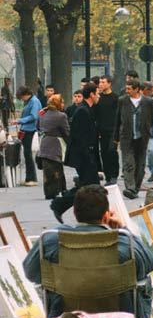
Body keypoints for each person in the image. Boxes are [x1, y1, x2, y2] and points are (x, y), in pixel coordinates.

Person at [24, 184, 153, 318]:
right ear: (106, 215)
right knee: (145, 281)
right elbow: (150, 264)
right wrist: (123, 228)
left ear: (74, 212)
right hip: (119, 314)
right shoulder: (124, 242)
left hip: (65, 316)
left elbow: (30, 272)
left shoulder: (52, 240)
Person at [50, 82, 101, 221]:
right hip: (83, 156)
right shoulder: (82, 111)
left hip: (86, 155)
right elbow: (79, 137)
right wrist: (88, 158)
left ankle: (62, 204)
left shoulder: (87, 109)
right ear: (91, 94)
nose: (99, 96)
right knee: (91, 187)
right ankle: (60, 204)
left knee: (87, 186)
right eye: (97, 94)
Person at [114, 79, 153, 199]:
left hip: (142, 137)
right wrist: (116, 137)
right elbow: (117, 119)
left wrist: (147, 130)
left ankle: (135, 188)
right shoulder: (122, 101)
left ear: (137, 89)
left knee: (140, 164)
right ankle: (130, 187)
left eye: (129, 89)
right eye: (126, 88)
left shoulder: (148, 101)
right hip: (126, 137)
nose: (127, 91)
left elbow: (151, 118)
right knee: (128, 162)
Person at [37, 93, 69, 200]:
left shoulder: (42, 114)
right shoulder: (61, 116)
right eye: (62, 102)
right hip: (55, 143)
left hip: (45, 142)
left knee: (48, 170)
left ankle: (49, 191)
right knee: (57, 167)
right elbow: (66, 132)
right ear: (57, 103)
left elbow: (38, 126)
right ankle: (61, 189)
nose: (63, 104)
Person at [13, 85, 40, 186]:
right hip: (26, 129)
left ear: (26, 94)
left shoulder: (34, 101)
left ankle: (32, 178)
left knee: (28, 154)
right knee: (26, 154)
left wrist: (19, 121)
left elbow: (34, 116)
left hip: (30, 129)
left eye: (22, 97)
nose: (21, 99)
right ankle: (28, 178)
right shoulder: (29, 101)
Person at [95, 76, 119, 185]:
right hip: (102, 130)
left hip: (113, 130)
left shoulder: (116, 98)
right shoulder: (98, 98)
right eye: (100, 82)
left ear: (109, 84)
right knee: (104, 153)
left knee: (112, 152)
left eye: (103, 82)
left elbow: (118, 116)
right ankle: (108, 176)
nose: (100, 84)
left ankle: (114, 175)